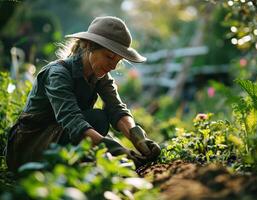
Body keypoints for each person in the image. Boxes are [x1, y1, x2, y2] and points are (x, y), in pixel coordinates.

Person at [5, 16, 161, 172]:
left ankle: (75, 167)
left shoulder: (100, 75)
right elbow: (72, 121)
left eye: (118, 61)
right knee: (97, 120)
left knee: (98, 119)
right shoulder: (57, 74)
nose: (113, 66)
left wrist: (139, 138)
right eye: (109, 57)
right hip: (26, 148)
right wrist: (115, 149)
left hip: (56, 137)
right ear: (88, 46)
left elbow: (117, 109)